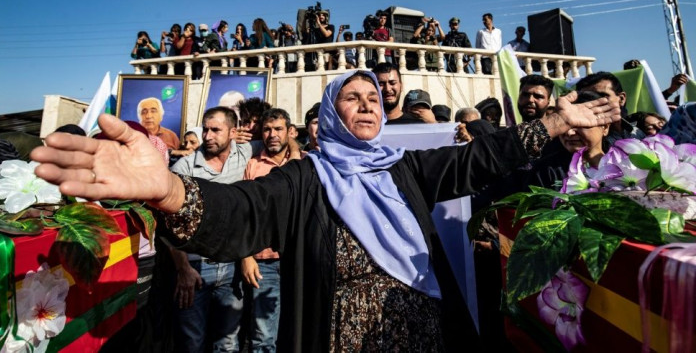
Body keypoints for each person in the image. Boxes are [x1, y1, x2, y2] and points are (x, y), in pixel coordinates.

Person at [31, 70, 619, 352]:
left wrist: (556, 121)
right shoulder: (305, 177)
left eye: (372, 99)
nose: (366, 107)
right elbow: (242, 212)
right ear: (332, 113)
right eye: (351, 99)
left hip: (420, 335)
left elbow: (482, 159)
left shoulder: (405, 168)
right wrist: (169, 190)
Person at [168, 107, 253, 351]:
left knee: (227, 343)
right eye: (205, 129)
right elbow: (170, 223)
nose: (207, 136)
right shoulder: (183, 168)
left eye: (215, 130)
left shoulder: (246, 153)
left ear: (233, 132)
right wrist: (183, 269)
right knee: (191, 343)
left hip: (232, 268)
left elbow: (281, 141)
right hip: (194, 271)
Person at [241, 109, 305, 353]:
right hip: (264, 262)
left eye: (278, 129)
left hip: (298, 260)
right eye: (267, 130)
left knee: (298, 330)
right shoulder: (253, 166)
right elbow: (245, 216)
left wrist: (296, 152)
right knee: (264, 336)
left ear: (290, 132)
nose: (272, 135)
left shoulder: (304, 161)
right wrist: (246, 256)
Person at [576, 71, 644, 145]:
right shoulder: (578, 140)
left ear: (621, 99)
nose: (595, 102)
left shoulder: (638, 133)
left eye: (602, 96)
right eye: (587, 98)